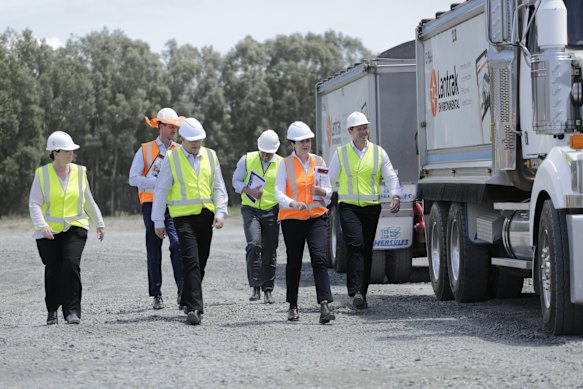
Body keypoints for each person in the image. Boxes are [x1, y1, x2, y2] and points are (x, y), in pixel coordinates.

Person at [152, 117, 228, 326]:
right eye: (192, 141)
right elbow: (161, 190)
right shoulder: (172, 158)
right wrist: (158, 220)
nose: (196, 144)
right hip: (182, 218)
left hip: (206, 216)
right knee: (191, 260)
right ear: (183, 139)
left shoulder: (211, 156)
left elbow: (218, 186)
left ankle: (186, 296)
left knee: (201, 261)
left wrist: (221, 212)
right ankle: (195, 308)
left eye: (199, 140)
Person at [29, 131, 105, 325]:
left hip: (75, 227)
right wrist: (42, 225)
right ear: (55, 152)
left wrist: (99, 222)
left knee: (71, 264)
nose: (71, 154)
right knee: (53, 269)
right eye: (67, 151)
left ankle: (72, 310)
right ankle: (52, 310)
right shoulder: (42, 174)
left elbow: (88, 200)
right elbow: (35, 204)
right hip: (49, 231)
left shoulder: (80, 172)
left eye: (72, 150)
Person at [328, 111, 401, 309]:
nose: (363, 131)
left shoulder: (378, 152)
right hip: (348, 207)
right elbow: (328, 180)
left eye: (365, 127)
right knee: (356, 245)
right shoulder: (341, 154)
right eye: (359, 128)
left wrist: (395, 195)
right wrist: (320, 199)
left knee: (366, 249)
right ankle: (356, 291)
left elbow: (391, 177)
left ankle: (362, 292)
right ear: (350, 131)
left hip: (371, 209)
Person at [274, 121, 336, 324]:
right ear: (293, 144)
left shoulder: (319, 160)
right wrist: (292, 203)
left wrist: (323, 192)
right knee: (294, 262)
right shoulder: (285, 164)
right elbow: (278, 192)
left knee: (319, 258)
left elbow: (328, 190)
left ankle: (325, 305)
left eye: (308, 140)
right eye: (302, 141)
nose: (306, 144)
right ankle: (292, 305)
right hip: (292, 219)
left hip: (316, 217)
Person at [129, 107, 184, 310]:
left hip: (173, 205)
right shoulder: (145, 150)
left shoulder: (180, 150)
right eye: (170, 126)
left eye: (175, 126)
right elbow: (133, 178)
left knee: (178, 245)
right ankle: (156, 294)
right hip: (151, 203)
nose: (173, 130)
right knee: (154, 249)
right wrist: (156, 183)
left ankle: (182, 291)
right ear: (160, 126)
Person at [232, 130, 282, 304]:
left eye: (270, 152)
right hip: (251, 209)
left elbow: (285, 189)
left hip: (272, 210)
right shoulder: (246, 159)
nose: (266, 155)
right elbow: (235, 181)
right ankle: (255, 287)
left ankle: (268, 289)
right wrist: (248, 190)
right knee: (254, 245)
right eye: (264, 152)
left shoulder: (282, 164)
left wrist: (283, 211)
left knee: (270, 249)